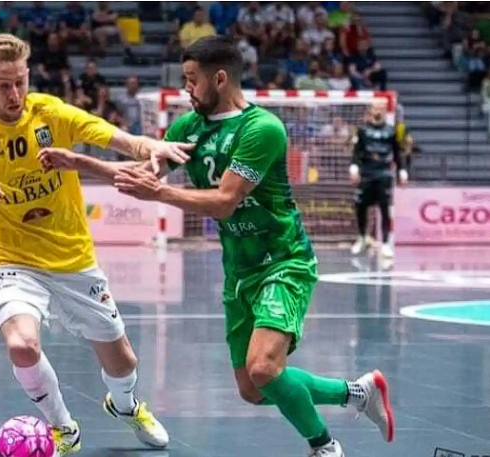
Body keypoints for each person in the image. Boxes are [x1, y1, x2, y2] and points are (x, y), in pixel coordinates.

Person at [37, 36, 395, 457]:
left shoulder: (261, 129)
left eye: (192, 80)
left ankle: (325, 447)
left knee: (264, 368)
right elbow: (143, 173)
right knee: (253, 389)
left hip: (283, 261)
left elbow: (225, 201)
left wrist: (159, 195)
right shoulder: (187, 128)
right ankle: (358, 392)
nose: (187, 88)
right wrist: (81, 163)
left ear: (220, 78)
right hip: (239, 270)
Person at [0, 33, 191, 455]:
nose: (15, 93)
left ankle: (124, 405)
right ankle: (64, 429)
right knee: (22, 345)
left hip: (75, 260)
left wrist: (151, 146)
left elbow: (115, 138)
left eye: (20, 81)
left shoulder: (51, 114)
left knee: (124, 362)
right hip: (14, 263)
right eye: (3, 84)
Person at [349, 102, 408, 258]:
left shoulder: (391, 131)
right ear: (371, 111)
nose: (378, 111)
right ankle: (362, 237)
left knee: (385, 208)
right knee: (360, 205)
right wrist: (354, 167)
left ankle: (386, 244)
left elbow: (397, 153)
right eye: (376, 108)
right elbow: (356, 152)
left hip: (384, 174)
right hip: (367, 172)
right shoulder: (362, 131)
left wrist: (402, 170)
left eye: (381, 109)